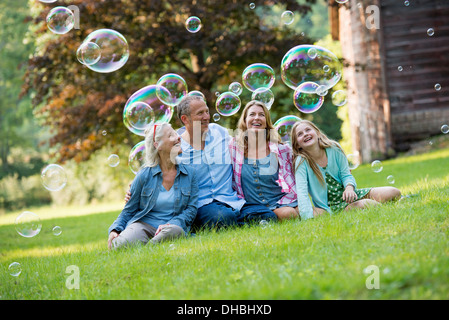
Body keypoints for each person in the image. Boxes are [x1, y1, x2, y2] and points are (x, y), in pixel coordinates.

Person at [175, 95, 277, 229]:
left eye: (206, 111)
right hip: (203, 205)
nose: (206, 116)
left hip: (231, 200)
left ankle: (231, 222)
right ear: (185, 119)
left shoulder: (220, 133)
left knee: (268, 216)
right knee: (224, 217)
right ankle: (216, 223)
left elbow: (246, 143)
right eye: (200, 113)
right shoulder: (177, 148)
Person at [108, 122, 198, 250]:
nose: (178, 137)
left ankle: (150, 248)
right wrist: (115, 229)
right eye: (171, 135)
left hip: (172, 227)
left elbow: (191, 209)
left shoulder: (190, 173)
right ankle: (154, 245)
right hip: (144, 225)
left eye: (176, 134)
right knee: (120, 245)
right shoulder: (144, 175)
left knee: (175, 231)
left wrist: (170, 224)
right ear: (157, 145)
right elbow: (129, 210)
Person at [291, 120, 401, 220]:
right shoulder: (301, 162)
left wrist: (349, 188)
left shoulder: (334, 148)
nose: (305, 134)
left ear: (317, 133)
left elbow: (346, 174)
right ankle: (388, 209)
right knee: (367, 204)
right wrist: (307, 218)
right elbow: (302, 192)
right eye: (300, 134)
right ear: (298, 145)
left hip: (351, 195)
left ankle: (367, 203)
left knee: (393, 192)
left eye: (308, 130)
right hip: (328, 207)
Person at [229, 100, 298, 221]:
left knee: (310, 212)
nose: (257, 118)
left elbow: (303, 168)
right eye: (252, 114)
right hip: (252, 207)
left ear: (266, 122)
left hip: (282, 201)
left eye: (261, 115)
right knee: (289, 214)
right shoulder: (234, 147)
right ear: (244, 121)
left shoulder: (281, 150)